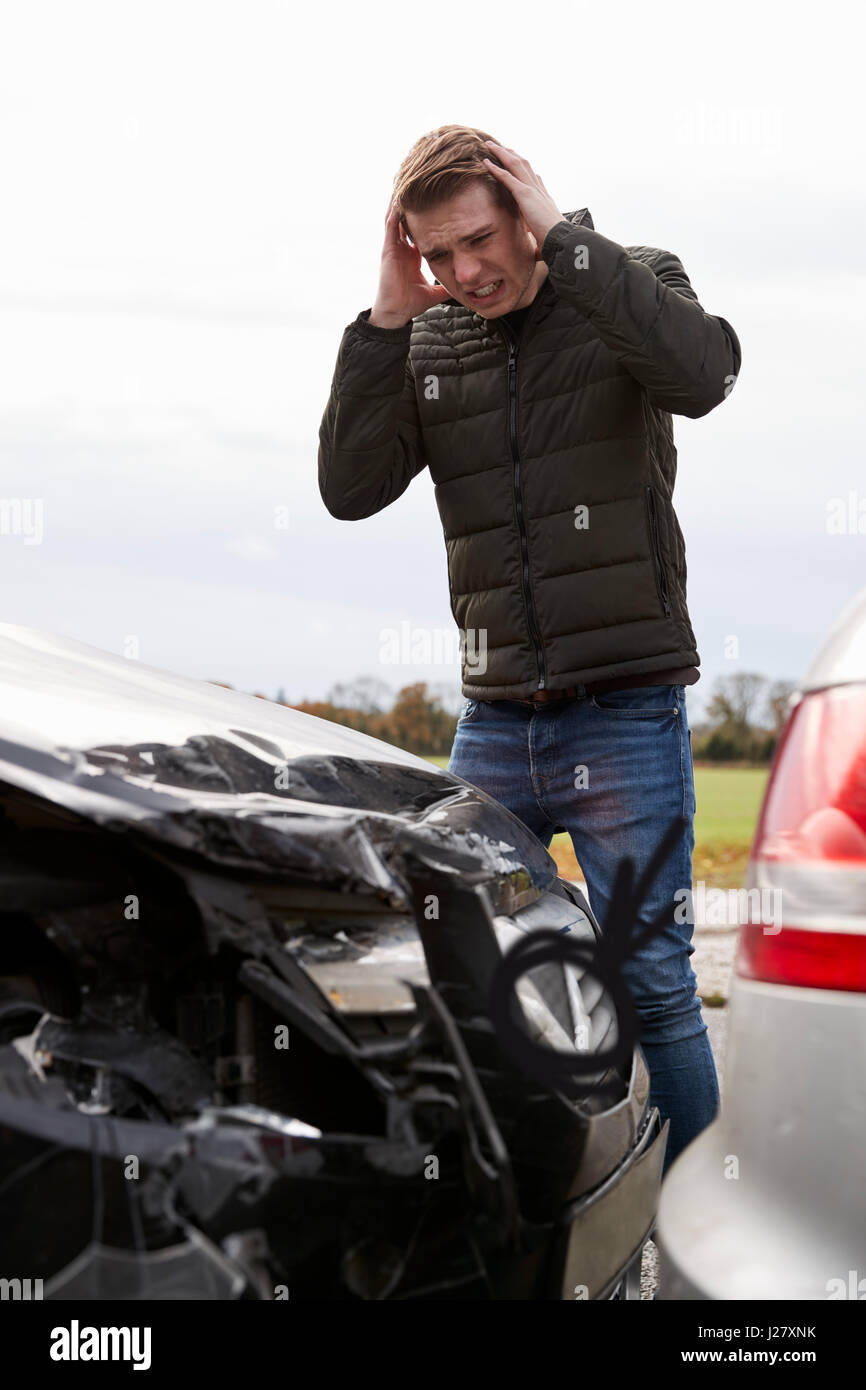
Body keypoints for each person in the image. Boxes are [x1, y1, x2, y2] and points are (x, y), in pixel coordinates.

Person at [318, 123, 742, 1170]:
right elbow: (349, 488)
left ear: (523, 209)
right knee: (459, 971)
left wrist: (568, 245)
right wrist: (388, 316)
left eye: (477, 241)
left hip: (625, 712)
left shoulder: (629, 280)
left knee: (651, 983)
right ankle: (519, 1207)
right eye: (436, 255)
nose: (463, 272)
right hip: (495, 721)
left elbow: (703, 374)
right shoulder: (428, 338)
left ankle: (691, 1221)